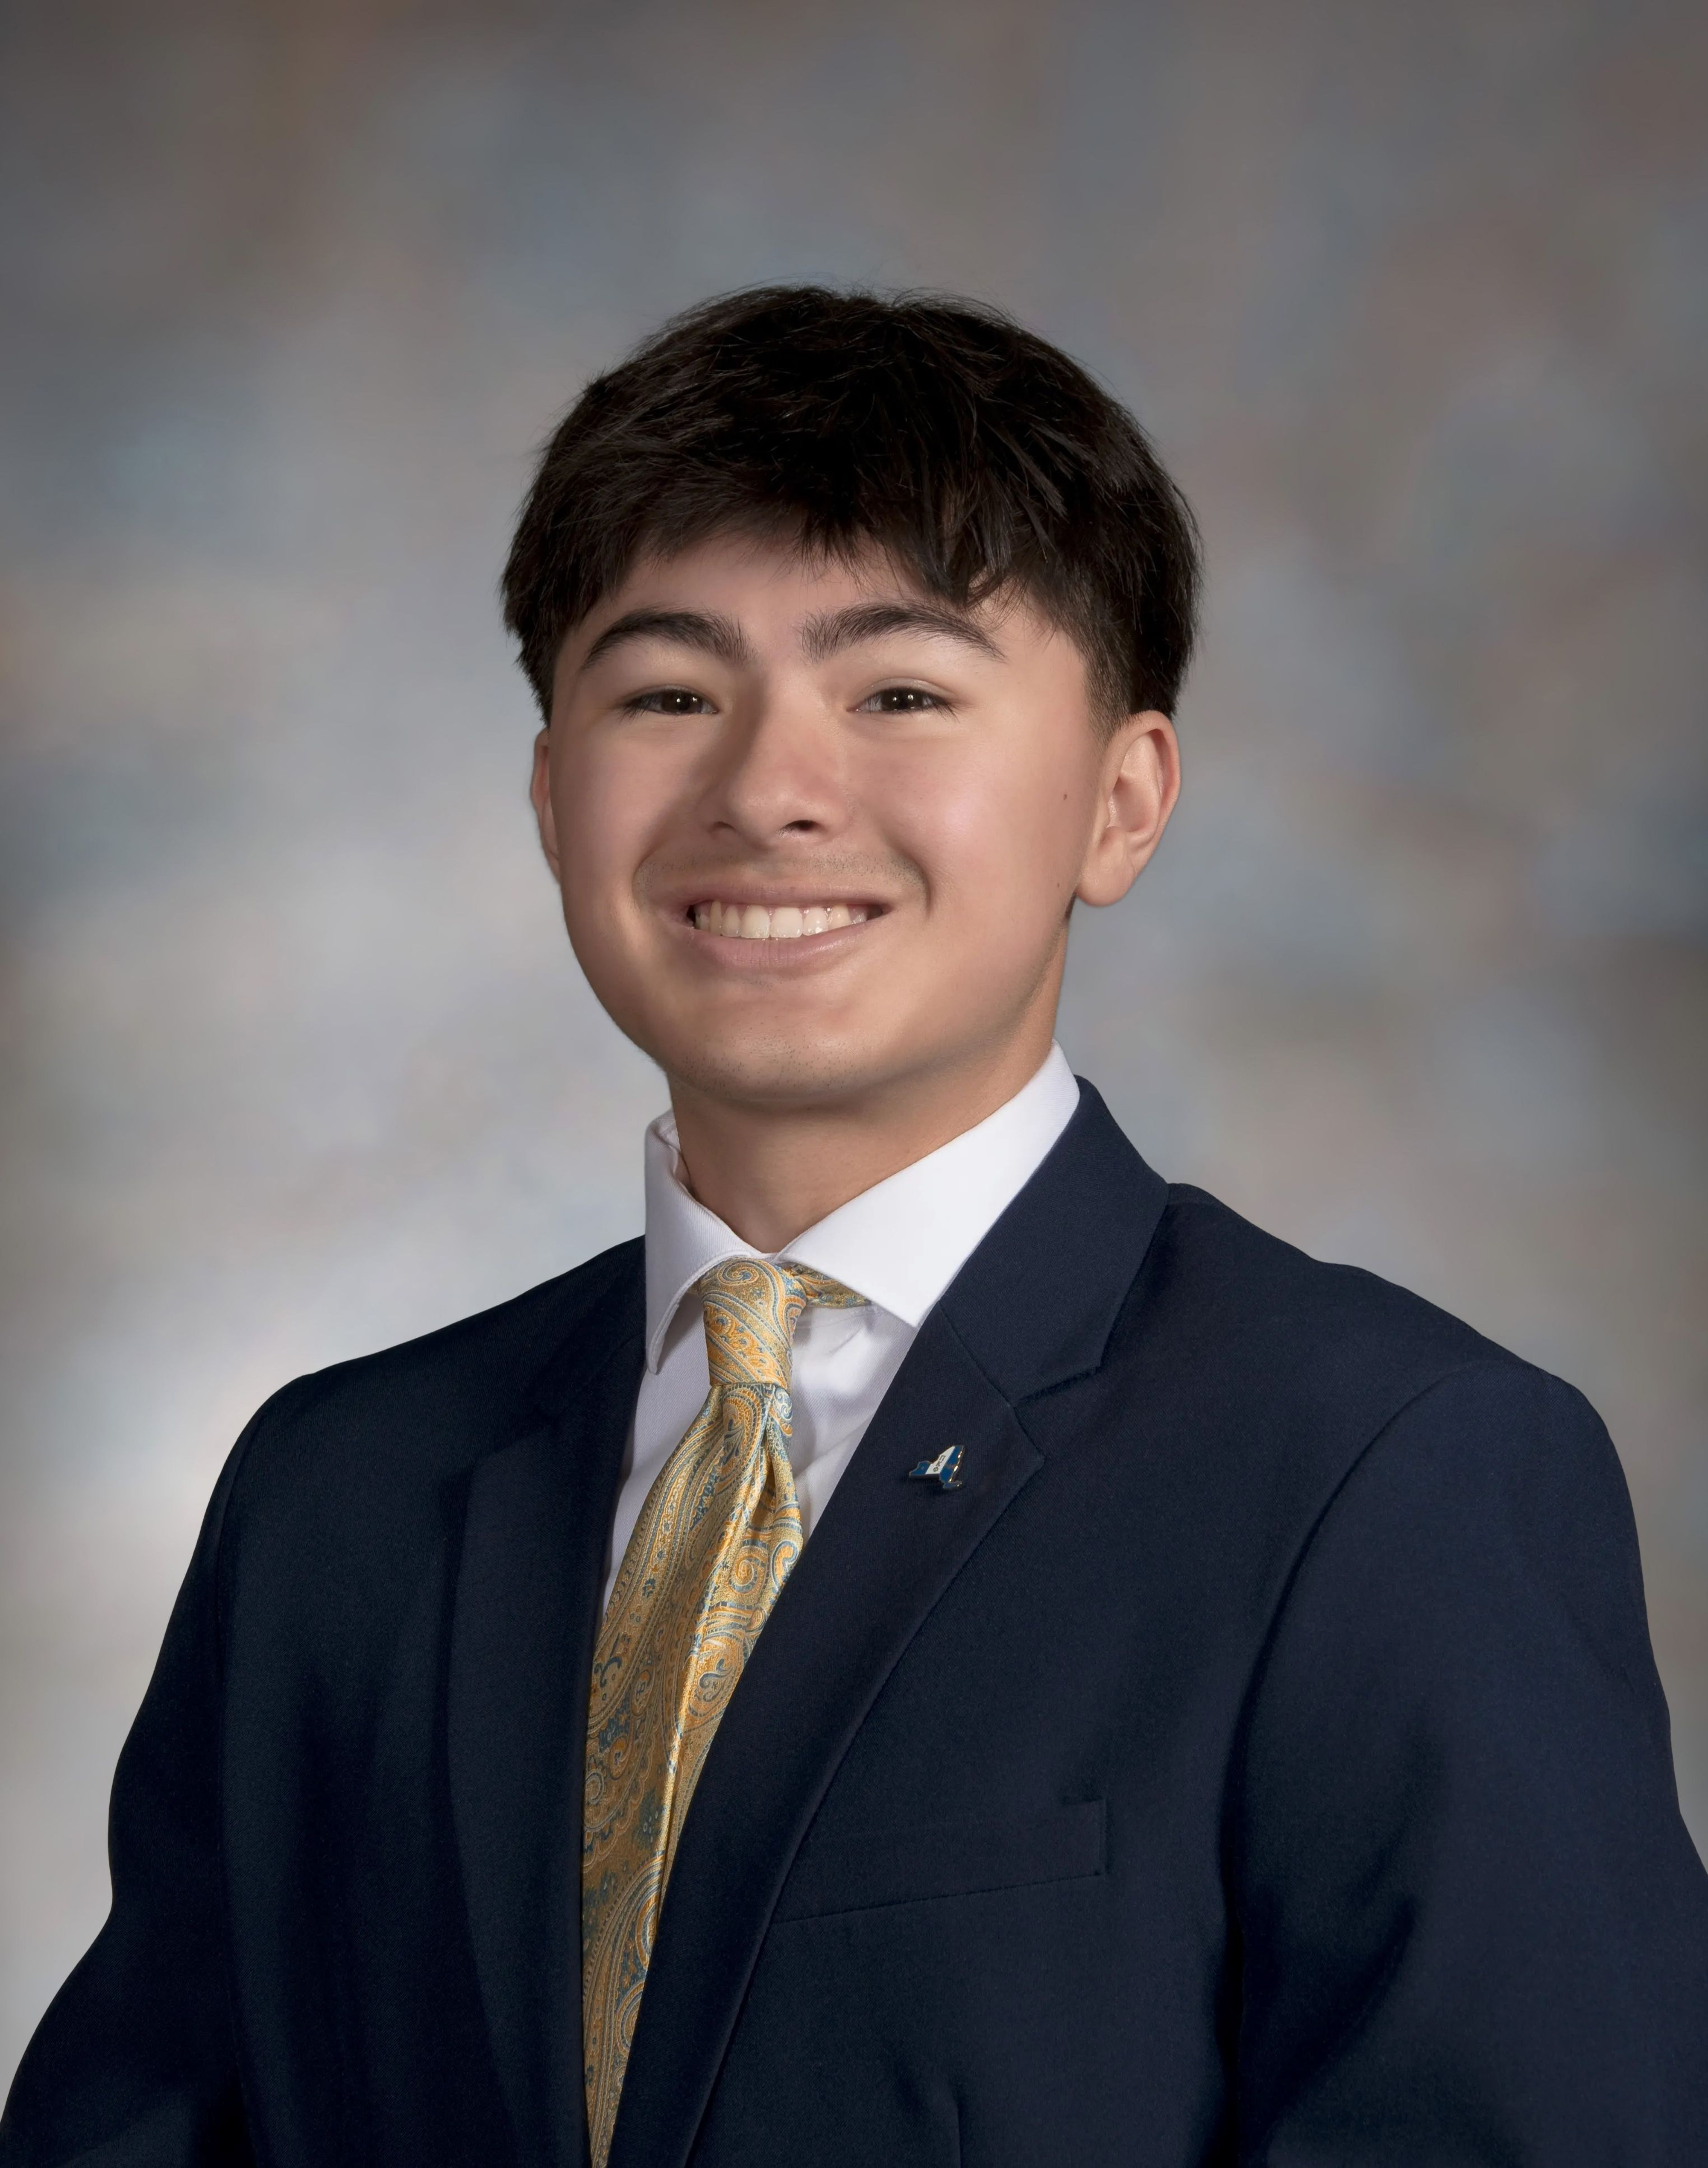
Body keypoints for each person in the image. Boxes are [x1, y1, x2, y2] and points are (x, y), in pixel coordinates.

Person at [4, 286, 1705, 2168]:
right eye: (669, 695)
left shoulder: (1387, 1475)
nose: (765, 793)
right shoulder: (340, 1496)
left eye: (898, 693)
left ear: (1122, 801)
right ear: (554, 794)